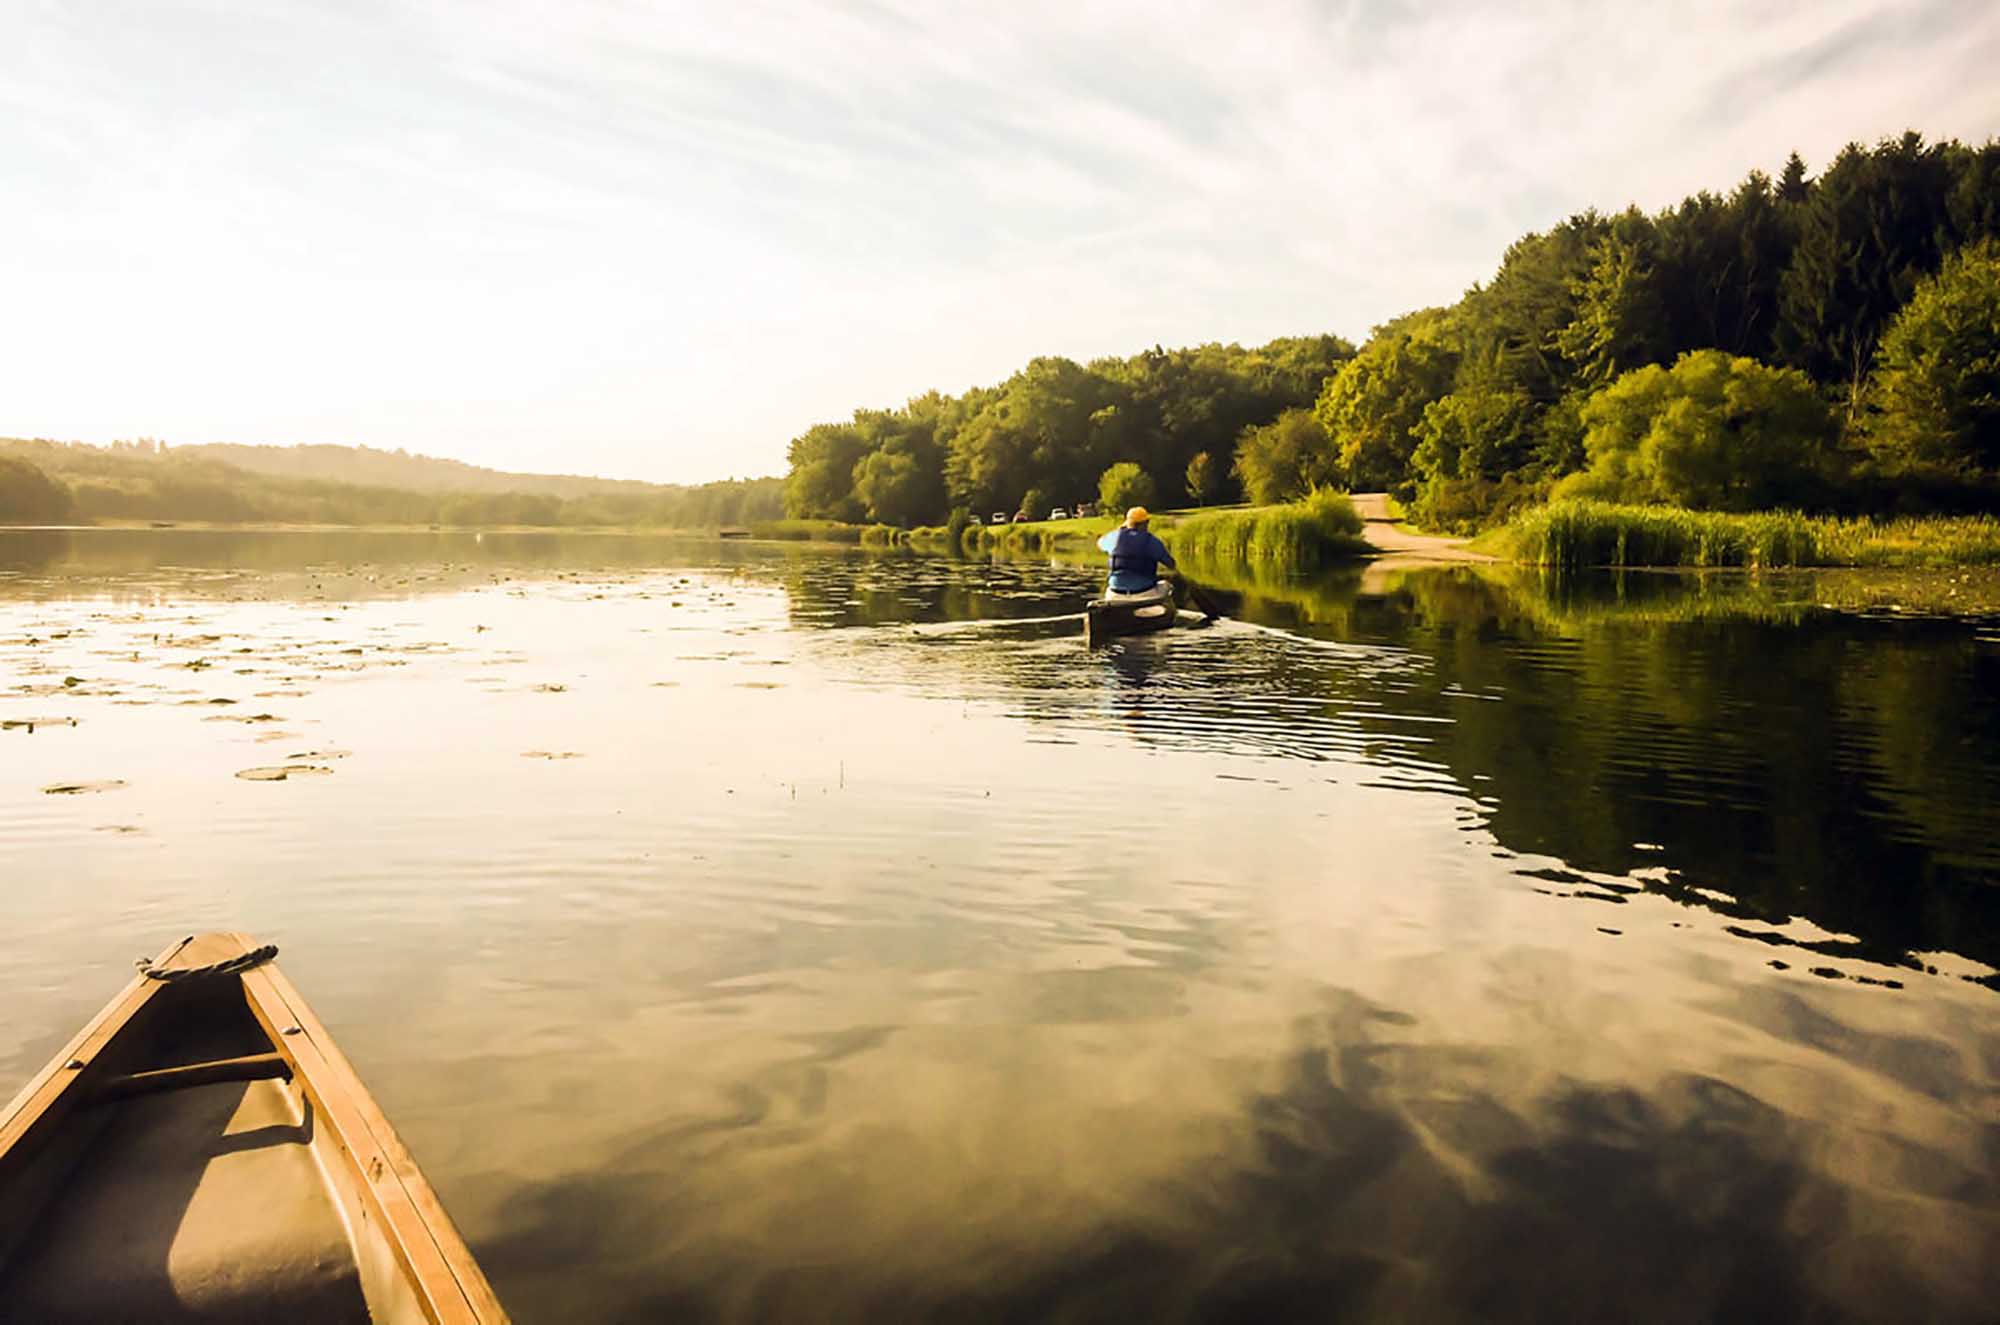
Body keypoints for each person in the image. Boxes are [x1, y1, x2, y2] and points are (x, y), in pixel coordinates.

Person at [1096, 506, 1176, 594]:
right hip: (1144, 590)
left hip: (1116, 591)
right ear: (1146, 523)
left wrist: (1120, 529)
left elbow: (1100, 543)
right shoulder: (1151, 541)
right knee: (1167, 586)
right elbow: (1170, 564)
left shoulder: (1114, 537)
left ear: (1127, 522)